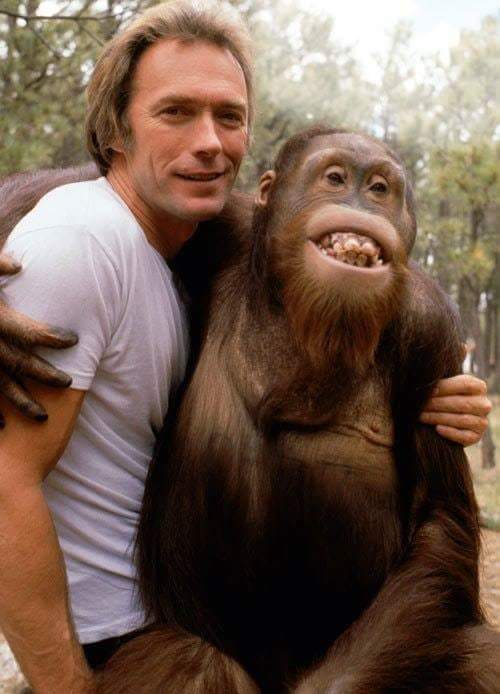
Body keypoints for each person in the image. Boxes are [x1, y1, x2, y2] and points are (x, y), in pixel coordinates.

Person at [0, 1, 491, 692]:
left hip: (359, 641)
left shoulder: (419, 319)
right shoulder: (219, 243)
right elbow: (84, 194)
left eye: (381, 190)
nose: (357, 204)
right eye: (333, 179)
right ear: (270, 199)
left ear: (408, 228)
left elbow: (446, 535)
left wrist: (340, 684)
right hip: (194, 635)